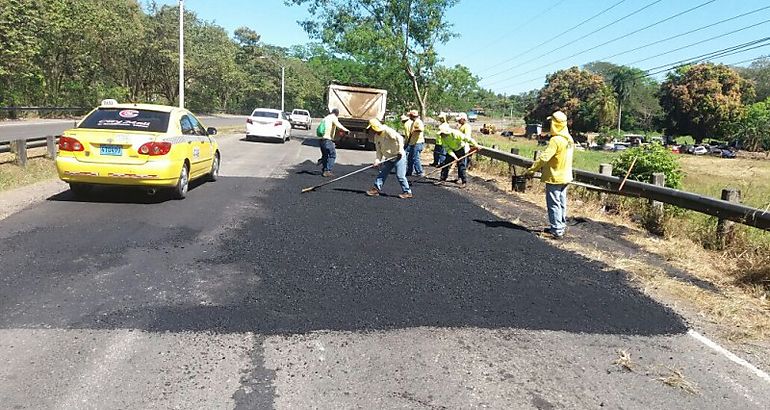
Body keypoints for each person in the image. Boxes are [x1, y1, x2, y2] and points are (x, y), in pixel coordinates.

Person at [525, 111, 575, 240]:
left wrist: (531, 170)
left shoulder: (556, 140)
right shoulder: (569, 139)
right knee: (562, 202)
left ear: (555, 124)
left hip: (555, 176)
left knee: (553, 203)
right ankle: (560, 226)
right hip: (566, 176)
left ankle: (556, 230)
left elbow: (544, 158)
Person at [365, 118, 413, 199]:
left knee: (400, 176)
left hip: (398, 156)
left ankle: (407, 192)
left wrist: (400, 150)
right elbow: (379, 151)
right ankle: (376, 189)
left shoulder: (387, 131)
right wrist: (377, 160)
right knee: (382, 173)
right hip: (389, 158)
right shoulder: (376, 137)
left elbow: (400, 138)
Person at [436, 122, 480, 188]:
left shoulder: (456, 134)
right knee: (446, 164)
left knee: (461, 165)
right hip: (451, 150)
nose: (442, 134)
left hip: (460, 149)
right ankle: (442, 179)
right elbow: (447, 149)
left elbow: (468, 139)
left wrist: (476, 145)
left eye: (443, 133)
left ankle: (464, 182)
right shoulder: (442, 138)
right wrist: (454, 156)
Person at [319, 108, 349, 177]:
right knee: (332, 155)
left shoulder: (326, 118)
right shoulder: (333, 117)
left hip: (321, 140)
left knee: (325, 155)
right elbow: (339, 125)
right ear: (337, 114)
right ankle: (328, 171)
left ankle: (324, 169)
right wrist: (346, 130)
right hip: (327, 140)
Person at [405, 109, 425, 177]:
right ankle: (409, 171)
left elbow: (421, 129)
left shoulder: (418, 122)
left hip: (418, 142)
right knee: (410, 157)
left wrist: (414, 130)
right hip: (413, 142)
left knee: (415, 157)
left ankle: (419, 172)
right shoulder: (413, 122)